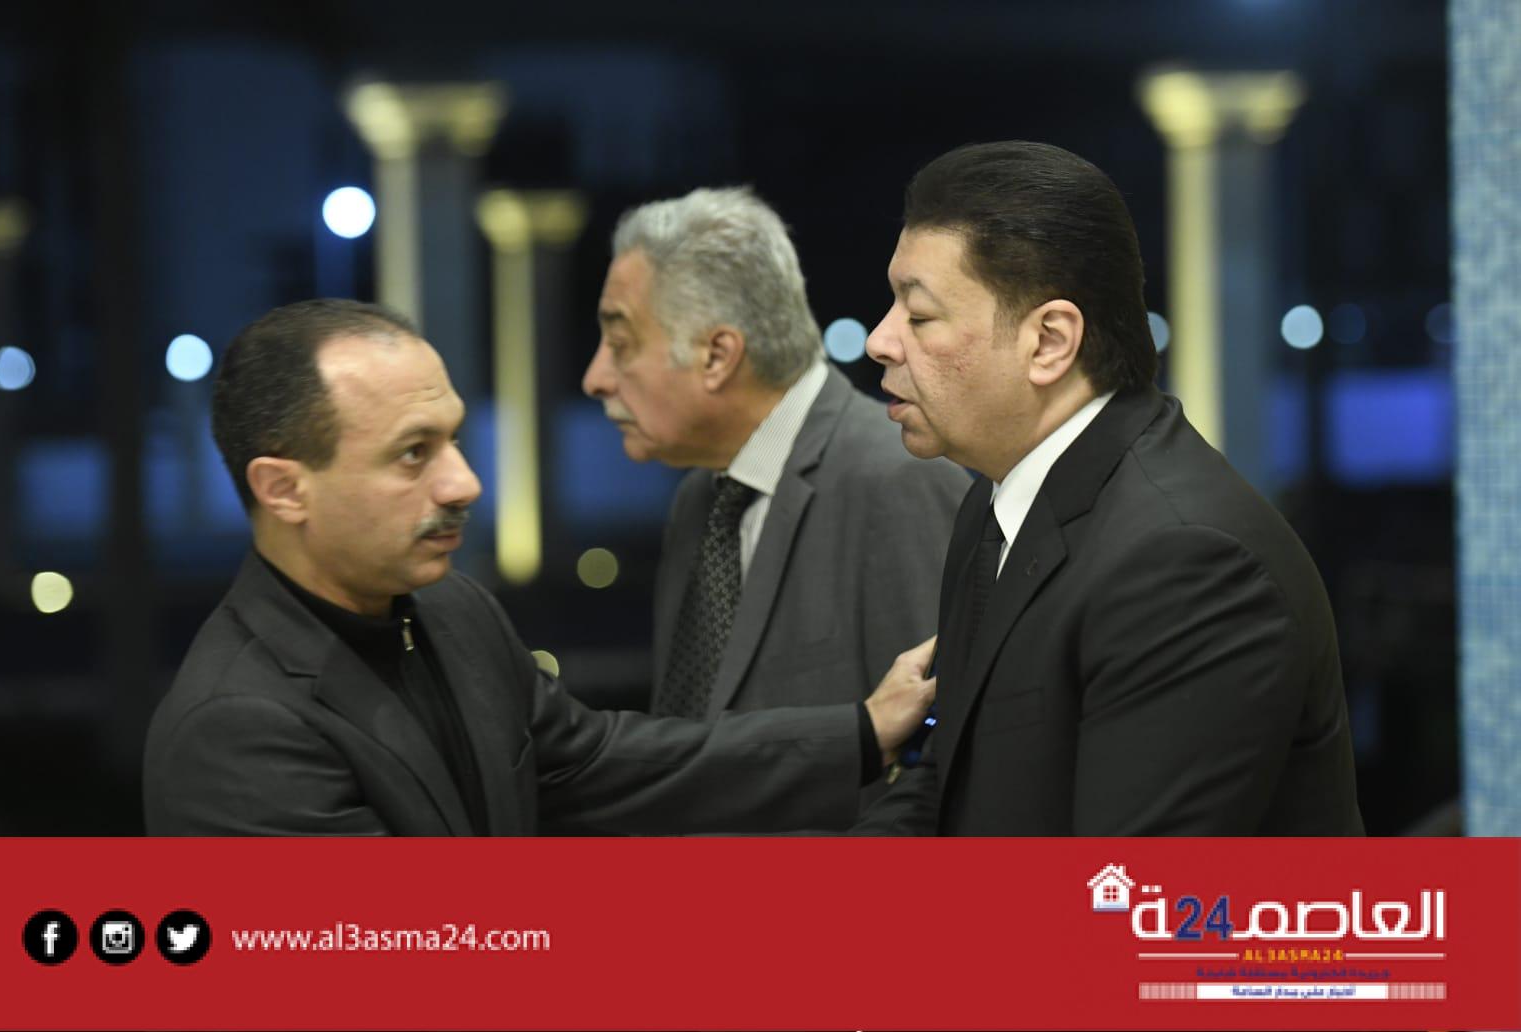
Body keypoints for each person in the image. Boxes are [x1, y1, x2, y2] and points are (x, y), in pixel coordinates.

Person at [143, 299, 935, 836]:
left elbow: (597, 763)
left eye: (454, 439)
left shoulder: (452, 611)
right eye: (413, 453)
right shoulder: (236, 729)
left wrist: (860, 733)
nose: (464, 483)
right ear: (283, 489)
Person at [855, 141, 1363, 835]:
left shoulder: (1187, 561)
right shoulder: (998, 500)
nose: (880, 341)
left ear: (1049, 342)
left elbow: (1127, 888)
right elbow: (946, 783)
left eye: (918, 316)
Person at [581, 188, 969, 804]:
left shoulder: (898, 480)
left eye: (621, 344)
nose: (595, 377)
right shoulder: (700, 497)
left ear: (717, 355)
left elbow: (935, 771)